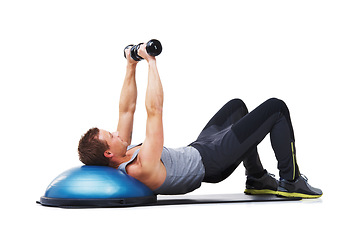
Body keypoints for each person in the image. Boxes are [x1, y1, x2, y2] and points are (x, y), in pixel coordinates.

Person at [78, 43, 322, 199]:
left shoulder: (122, 151)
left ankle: (256, 178)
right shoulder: (140, 166)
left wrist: (131, 64)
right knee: (276, 108)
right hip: (213, 162)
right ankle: (291, 181)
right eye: (112, 136)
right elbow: (155, 110)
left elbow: (127, 110)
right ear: (109, 153)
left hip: (199, 147)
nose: (118, 133)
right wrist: (151, 62)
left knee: (237, 106)